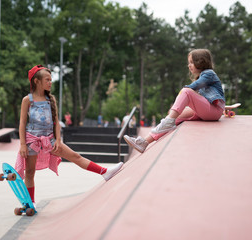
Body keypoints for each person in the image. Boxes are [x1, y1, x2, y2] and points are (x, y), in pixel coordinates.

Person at [15, 65, 123, 207]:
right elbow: (22, 122)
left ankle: (104, 172)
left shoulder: (50, 100)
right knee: (30, 172)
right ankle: (30, 203)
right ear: (36, 81)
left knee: (75, 156)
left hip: (50, 140)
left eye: (51, 80)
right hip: (32, 140)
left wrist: (58, 140)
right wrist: (23, 144)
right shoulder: (27, 100)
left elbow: (56, 123)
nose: (50, 82)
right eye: (47, 80)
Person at [124, 49, 225, 153]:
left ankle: (168, 121)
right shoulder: (204, 76)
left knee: (186, 91)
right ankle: (144, 142)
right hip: (211, 111)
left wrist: (183, 92)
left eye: (191, 62)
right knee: (176, 117)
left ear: (200, 62)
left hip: (213, 112)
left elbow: (194, 87)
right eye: (188, 63)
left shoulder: (209, 73)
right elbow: (209, 99)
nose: (188, 65)